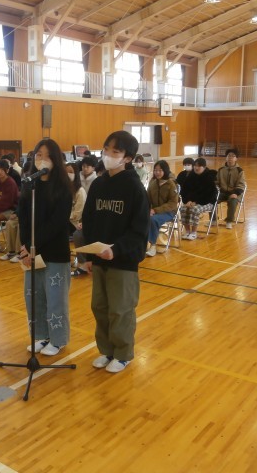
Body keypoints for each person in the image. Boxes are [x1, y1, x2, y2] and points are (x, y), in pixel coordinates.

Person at [82, 130, 149, 374]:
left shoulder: (135, 188)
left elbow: (139, 230)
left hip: (123, 261)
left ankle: (122, 354)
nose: (108, 155)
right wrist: (90, 256)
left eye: (116, 151)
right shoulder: (99, 184)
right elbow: (89, 221)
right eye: (106, 149)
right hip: (99, 258)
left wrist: (116, 249)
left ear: (128, 158)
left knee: (120, 310)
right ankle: (107, 350)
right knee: (99, 307)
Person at [18, 139, 73, 356]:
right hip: (31, 251)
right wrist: (25, 247)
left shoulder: (63, 188)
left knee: (55, 299)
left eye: (48, 156)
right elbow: (23, 218)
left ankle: (58, 339)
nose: (42, 160)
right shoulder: (29, 185)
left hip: (54, 252)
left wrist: (34, 246)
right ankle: (41, 335)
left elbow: (57, 223)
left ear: (56, 160)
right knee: (34, 297)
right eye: (38, 155)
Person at [145, 160, 179, 257]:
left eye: (160, 170)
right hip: (154, 211)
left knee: (153, 220)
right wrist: (146, 210)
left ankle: (153, 246)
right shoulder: (152, 183)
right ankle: (141, 244)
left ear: (165, 171)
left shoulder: (171, 184)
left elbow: (173, 203)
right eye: (155, 170)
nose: (157, 172)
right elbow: (147, 199)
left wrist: (155, 210)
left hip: (169, 212)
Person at [181, 157, 217, 240]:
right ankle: (187, 231)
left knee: (195, 209)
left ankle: (194, 232)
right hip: (192, 202)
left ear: (204, 167)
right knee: (183, 208)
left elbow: (209, 195)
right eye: (195, 166)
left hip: (207, 202)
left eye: (199, 166)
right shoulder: (191, 176)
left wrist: (196, 202)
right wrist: (188, 201)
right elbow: (184, 191)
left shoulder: (209, 177)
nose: (196, 168)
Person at [66, 162, 88, 276]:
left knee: (77, 235)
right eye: (66, 172)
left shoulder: (80, 191)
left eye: (70, 172)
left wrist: (63, 216)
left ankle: (82, 265)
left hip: (77, 222)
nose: (68, 174)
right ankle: (62, 260)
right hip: (66, 220)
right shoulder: (63, 189)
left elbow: (77, 214)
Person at [216, 149, 246, 229]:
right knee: (212, 198)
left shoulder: (240, 171)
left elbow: (241, 184)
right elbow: (216, 182)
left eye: (233, 156)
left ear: (236, 159)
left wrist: (235, 193)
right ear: (226, 157)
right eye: (229, 156)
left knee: (233, 201)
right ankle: (213, 220)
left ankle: (229, 221)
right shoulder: (221, 170)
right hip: (222, 192)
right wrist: (216, 189)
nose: (230, 157)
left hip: (235, 193)